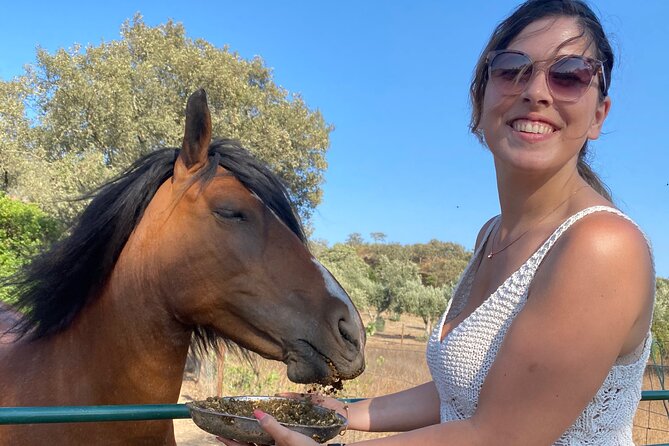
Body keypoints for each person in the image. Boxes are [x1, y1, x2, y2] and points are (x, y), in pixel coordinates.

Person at [218, 0, 656, 444]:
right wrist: (347, 414)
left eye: (569, 75)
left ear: (599, 114)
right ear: (480, 99)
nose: (536, 91)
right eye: (511, 69)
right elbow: (466, 394)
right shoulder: (491, 233)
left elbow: (499, 435)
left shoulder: (601, 246)